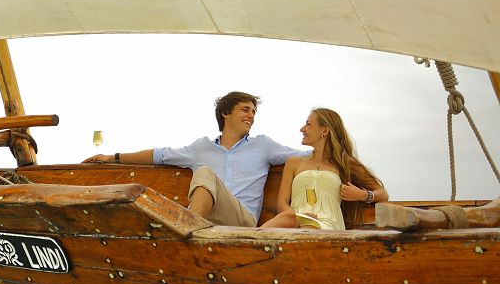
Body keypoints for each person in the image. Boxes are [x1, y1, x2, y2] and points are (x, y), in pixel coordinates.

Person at [82, 91, 305, 227]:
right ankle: (190, 225)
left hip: (241, 220)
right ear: (226, 113)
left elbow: (305, 155)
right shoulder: (201, 148)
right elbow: (160, 155)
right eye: (245, 110)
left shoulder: (263, 145)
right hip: (207, 220)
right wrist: (112, 157)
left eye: (254, 112)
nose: (251, 116)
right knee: (205, 172)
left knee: (205, 173)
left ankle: (185, 227)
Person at [260, 108, 387, 230]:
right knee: (287, 217)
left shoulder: (345, 163)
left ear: (325, 131)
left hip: (327, 224)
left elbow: (382, 194)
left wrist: (363, 195)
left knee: (308, 227)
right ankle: (248, 240)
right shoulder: (293, 162)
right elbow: (282, 203)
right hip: (294, 222)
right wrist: (297, 217)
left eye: (308, 124)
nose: (302, 129)